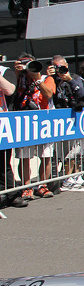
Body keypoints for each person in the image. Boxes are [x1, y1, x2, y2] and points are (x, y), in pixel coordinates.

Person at [13, 53, 56, 200]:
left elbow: (49, 94)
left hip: (44, 122)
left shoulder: (46, 79)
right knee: (25, 156)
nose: (29, 68)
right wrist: (18, 73)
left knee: (46, 155)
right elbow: (11, 94)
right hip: (24, 122)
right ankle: (26, 187)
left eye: (31, 64)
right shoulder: (19, 79)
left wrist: (37, 80)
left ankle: (42, 186)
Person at [0, 64, 26, 208]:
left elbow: (9, 90)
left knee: (3, 163)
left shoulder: (5, 71)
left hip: (3, 124)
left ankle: (12, 195)